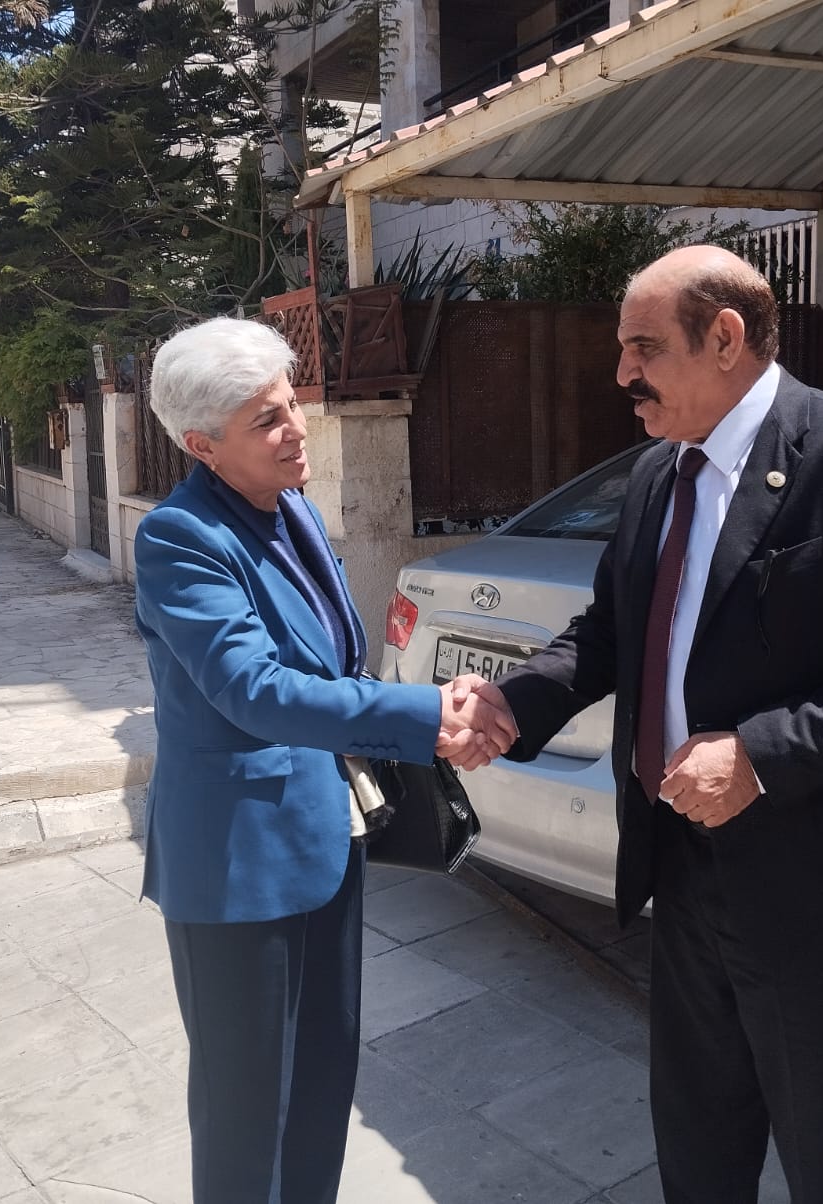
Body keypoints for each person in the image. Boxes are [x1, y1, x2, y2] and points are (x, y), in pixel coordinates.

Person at [456, 246, 823, 1204]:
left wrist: (760, 754)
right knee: (699, 1149)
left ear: (725, 338)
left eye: (643, 347)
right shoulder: (658, 475)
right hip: (682, 867)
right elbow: (610, 633)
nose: (621, 373)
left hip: (818, 888)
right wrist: (516, 700)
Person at [134, 317, 515, 1204]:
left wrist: (422, 717)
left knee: (319, 1086)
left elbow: (335, 665)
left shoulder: (293, 507)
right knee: (245, 1113)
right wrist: (426, 715)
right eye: (265, 420)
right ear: (202, 446)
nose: (295, 429)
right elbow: (256, 691)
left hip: (322, 839)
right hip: (237, 865)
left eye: (291, 403)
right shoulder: (181, 538)